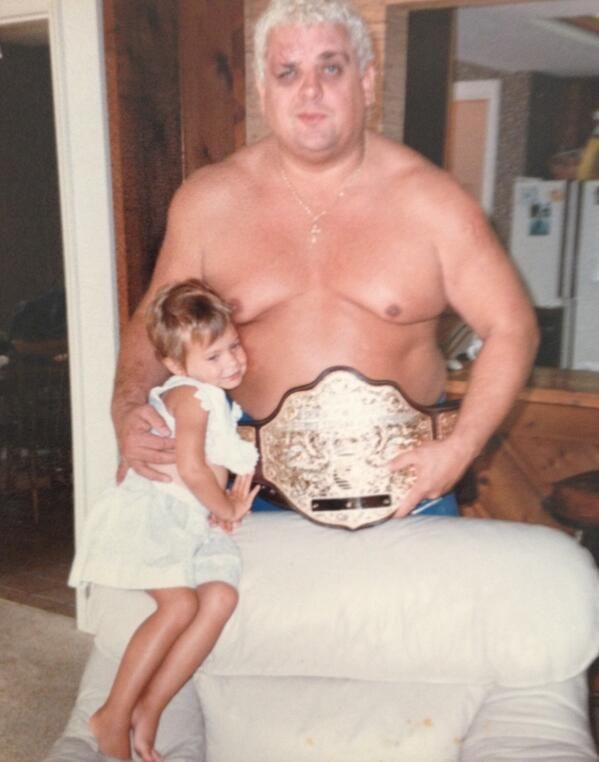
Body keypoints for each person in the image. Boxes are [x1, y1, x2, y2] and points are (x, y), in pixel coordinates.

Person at [111, 0, 538, 520]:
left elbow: (512, 326)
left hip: (411, 499)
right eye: (287, 72)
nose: (309, 90)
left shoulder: (435, 202)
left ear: (366, 82)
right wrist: (127, 406)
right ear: (263, 90)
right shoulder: (209, 201)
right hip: (253, 501)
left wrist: (462, 446)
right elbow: (155, 321)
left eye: (330, 68)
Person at [68, 279, 259, 761]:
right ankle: (112, 713)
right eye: (214, 356)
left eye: (233, 345)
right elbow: (192, 469)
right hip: (157, 516)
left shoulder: (212, 395)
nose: (232, 362)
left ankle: (149, 708)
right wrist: (227, 507)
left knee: (220, 597)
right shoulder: (191, 396)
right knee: (178, 607)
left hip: (191, 521)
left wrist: (220, 506)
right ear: (175, 365)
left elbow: (204, 471)